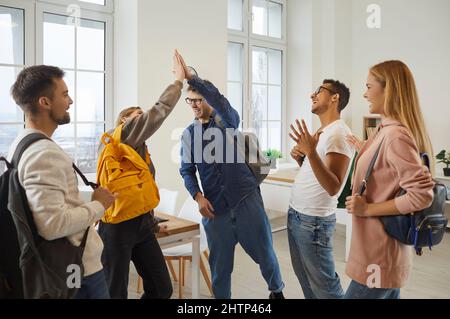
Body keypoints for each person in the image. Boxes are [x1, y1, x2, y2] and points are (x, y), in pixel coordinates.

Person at [177, 50, 285, 299]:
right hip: (216, 209)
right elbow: (187, 170)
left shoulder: (226, 121)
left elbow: (225, 107)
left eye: (199, 99)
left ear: (209, 100)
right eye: (190, 101)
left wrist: (195, 79)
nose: (194, 104)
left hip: (246, 199)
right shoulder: (188, 134)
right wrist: (197, 197)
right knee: (220, 269)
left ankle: (276, 291)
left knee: (265, 255)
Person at [9, 65, 116, 299]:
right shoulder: (44, 153)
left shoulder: (20, 144)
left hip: (62, 265)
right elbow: (52, 225)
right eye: (65, 94)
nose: (71, 102)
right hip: (76, 269)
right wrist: (99, 205)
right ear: (45, 102)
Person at [98, 51, 185, 299]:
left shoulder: (139, 149)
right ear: (124, 120)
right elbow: (158, 112)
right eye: (137, 116)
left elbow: (139, 187)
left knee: (162, 289)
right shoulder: (122, 135)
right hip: (116, 227)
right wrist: (178, 82)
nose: (143, 119)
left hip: (142, 223)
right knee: (115, 292)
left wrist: (151, 219)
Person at [345, 60, 435, 299]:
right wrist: (364, 149)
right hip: (380, 253)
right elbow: (388, 172)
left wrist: (368, 209)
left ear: (389, 90)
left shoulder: (394, 136)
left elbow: (421, 195)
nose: (365, 93)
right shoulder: (385, 132)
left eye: (368, 86)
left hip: (378, 256)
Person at [288, 80, 354, 299]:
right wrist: (303, 158)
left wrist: (311, 153)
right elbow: (318, 175)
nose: (312, 94)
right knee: (307, 283)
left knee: (326, 289)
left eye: (319, 91)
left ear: (335, 97)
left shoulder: (338, 134)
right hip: (298, 215)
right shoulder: (323, 131)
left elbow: (333, 186)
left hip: (313, 222)